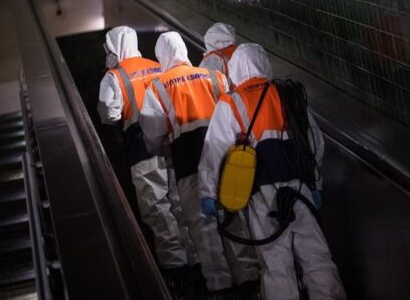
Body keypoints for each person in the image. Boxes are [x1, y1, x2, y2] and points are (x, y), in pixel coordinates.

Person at [199, 43, 346, 300]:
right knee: (316, 256)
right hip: (300, 189)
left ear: (236, 70)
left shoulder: (232, 102)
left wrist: (208, 192)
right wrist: (316, 185)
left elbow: (215, 151)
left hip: (261, 194)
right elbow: (314, 143)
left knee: (276, 263)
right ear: (264, 64)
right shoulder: (289, 95)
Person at [139, 31, 259, 292]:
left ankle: (220, 285)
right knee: (232, 217)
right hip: (224, 161)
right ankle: (249, 278)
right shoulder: (213, 76)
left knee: (203, 228)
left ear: (161, 56)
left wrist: (165, 151)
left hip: (188, 163)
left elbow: (152, 136)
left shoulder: (158, 87)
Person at [97, 26, 196, 269]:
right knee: (179, 202)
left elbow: (108, 114)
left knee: (156, 209)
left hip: (141, 150)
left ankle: (176, 265)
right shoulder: (157, 65)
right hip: (171, 145)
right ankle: (196, 256)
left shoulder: (114, 76)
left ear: (114, 47)